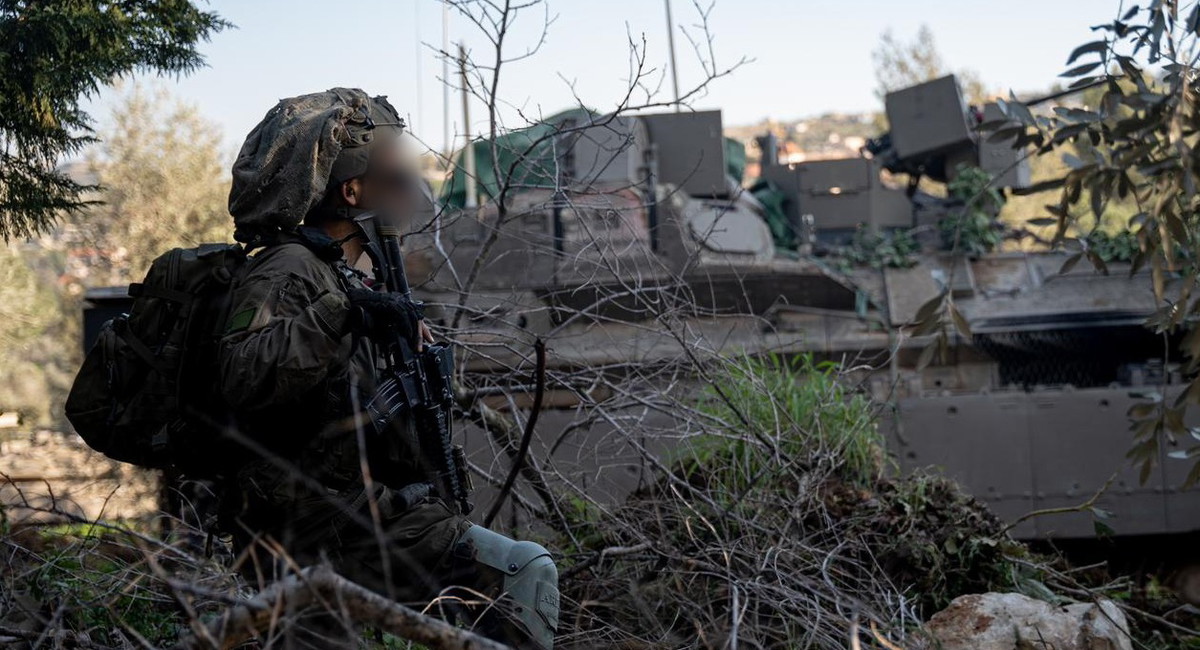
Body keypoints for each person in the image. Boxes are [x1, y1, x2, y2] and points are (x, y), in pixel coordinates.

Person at [216, 88, 558, 649]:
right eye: (397, 176)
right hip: (315, 530)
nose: (411, 188)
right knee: (526, 571)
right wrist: (344, 312)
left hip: (365, 515)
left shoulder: (354, 271)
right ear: (353, 191)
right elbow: (243, 374)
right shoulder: (288, 270)